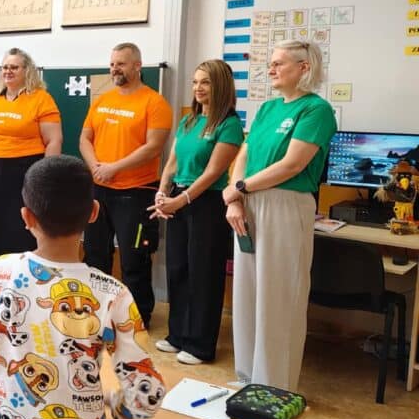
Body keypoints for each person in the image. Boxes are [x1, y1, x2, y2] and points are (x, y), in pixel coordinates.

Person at [0, 155, 164, 419]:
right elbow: (146, 396)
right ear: (94, 212)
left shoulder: (0, 271)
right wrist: (113, 405)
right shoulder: (113, 293)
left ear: (27, 217)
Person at [223, 40, 336, 391]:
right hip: (248, 202)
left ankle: (274, 386)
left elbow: (293, 165)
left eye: (279, 63)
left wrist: (240, 188)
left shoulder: (316, 110)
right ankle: (247, 378)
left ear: (304, 68)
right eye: (270, 63)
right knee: (247, 294)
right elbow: (244, 154)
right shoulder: (268, 108)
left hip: (286, 204)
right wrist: (235, 199)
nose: (270, 69)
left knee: (278, 296)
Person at [149, 60, 242, 365]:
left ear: (221, 86)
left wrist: (180, 200)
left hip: (206, 204)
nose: (198, 88)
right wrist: (162, 192)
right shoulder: (189, 121)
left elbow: (213, 173)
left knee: (204, 273)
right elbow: (172, 162)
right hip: (179, 198)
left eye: (206, 82)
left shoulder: (229, 124)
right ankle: (178, 335)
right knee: (178, 268)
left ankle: (200, 345)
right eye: (195, 82)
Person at [79, 42, 172, 329]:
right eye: (112, 64)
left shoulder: (154, 102)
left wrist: (114, 168)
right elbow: (84, 139)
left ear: (137, 66)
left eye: (120, 63)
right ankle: (97, 312)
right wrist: (96, 167)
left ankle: (137, 317)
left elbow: (154, 147)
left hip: (136, 191)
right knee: (95, 254)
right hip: (99, 190)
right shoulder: (102, 100)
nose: (114, 69)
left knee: (134, 258)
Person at [0, 47, 62, 261]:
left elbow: (54, 141)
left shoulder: (41, 99)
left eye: (14, 67)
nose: (8, 71)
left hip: (22, 174)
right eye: (4, 67)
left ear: (27, 70)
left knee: (19, 234)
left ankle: (21, 277)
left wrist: (45, 179)